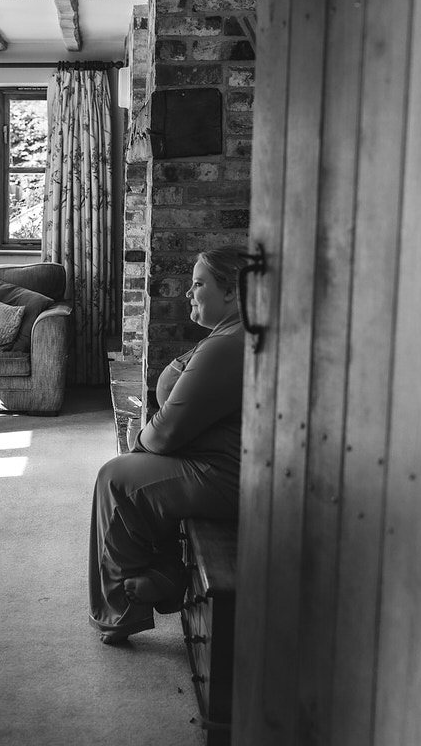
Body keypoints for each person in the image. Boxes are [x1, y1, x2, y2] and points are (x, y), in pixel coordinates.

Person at [89, 246, 249, 645]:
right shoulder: (228, 334)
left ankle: (119, 613)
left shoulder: (228, 345)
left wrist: (136, 441)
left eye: (198, 284)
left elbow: (164, 435)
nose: (188, 293)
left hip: (225, 476)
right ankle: (164, 574)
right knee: (133, 474)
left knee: (116, 477)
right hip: (213, 462)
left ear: (230, 292)